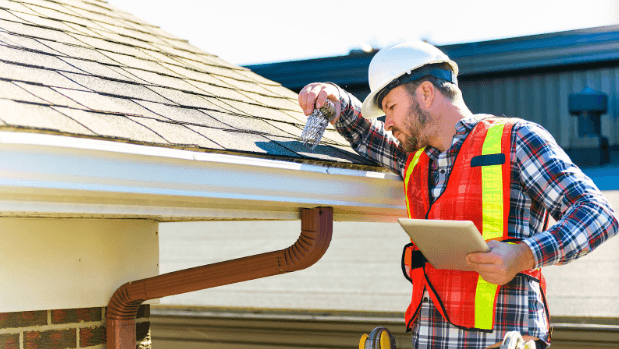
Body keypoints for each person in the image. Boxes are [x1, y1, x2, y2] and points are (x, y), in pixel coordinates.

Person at [298, 41, 618, 349]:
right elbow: (366, 133)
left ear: (425, 92)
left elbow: (598, 213)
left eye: (391, 107)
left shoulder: (517, 140)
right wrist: (335, 99)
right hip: (430, 337)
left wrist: (524, 254)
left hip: (502, 337)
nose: (388, 121)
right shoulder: (415, 161)